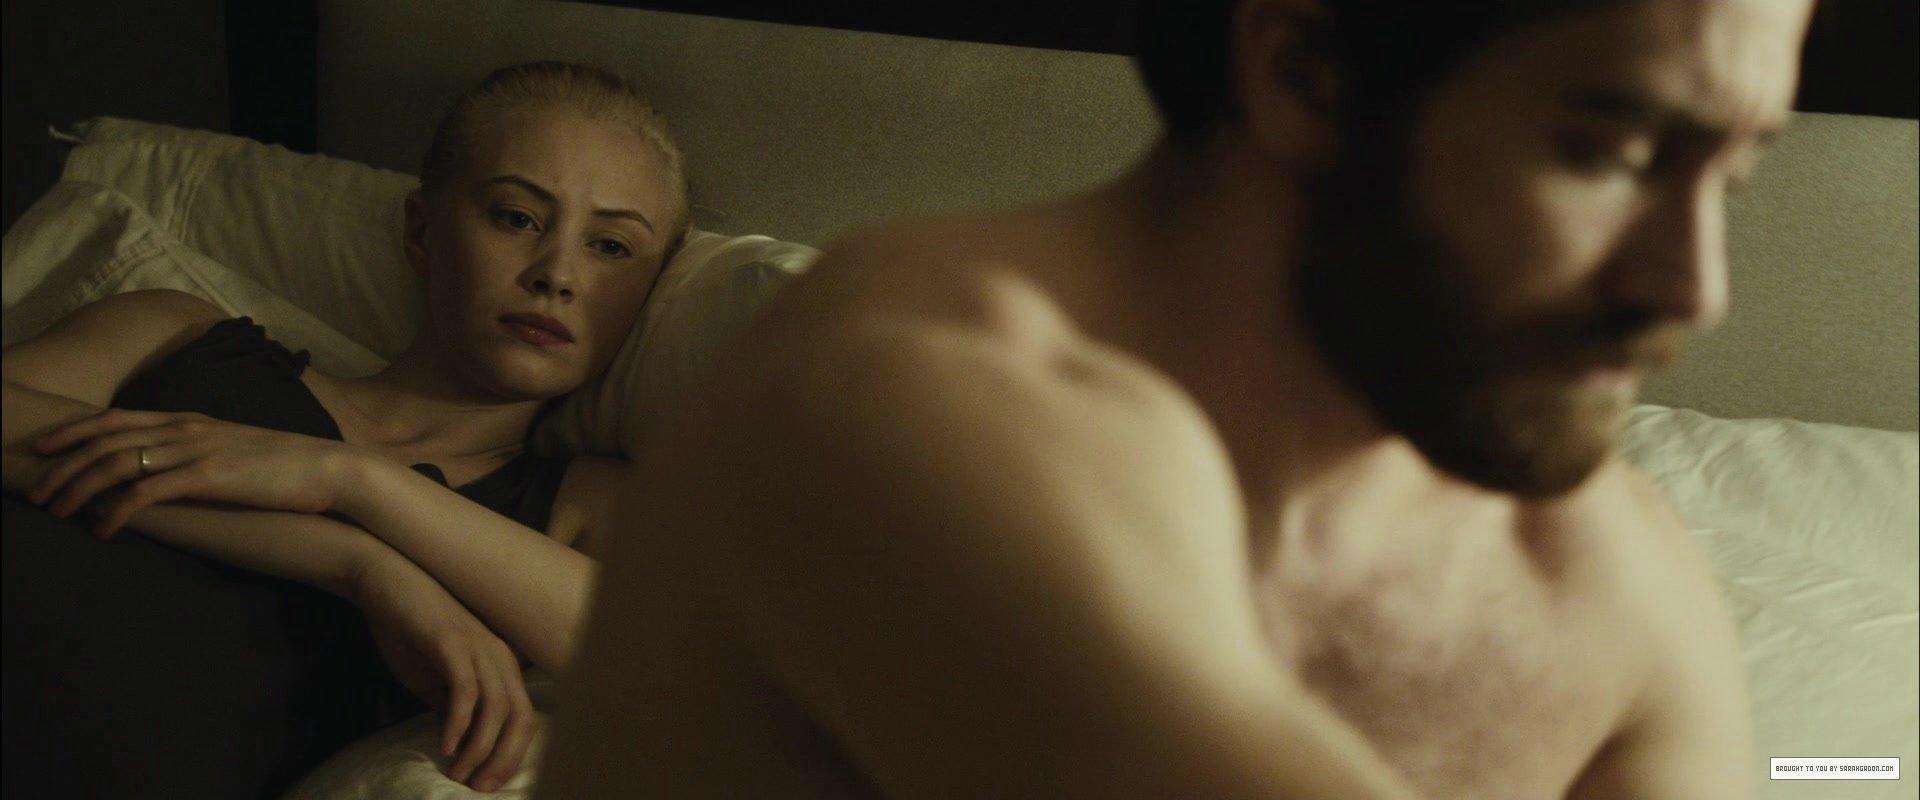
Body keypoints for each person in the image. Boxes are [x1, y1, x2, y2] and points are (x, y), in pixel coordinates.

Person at [540, 1, 1812, 797]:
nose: (1694, 288)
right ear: (1305, 72)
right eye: (1613, 152)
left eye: (1736, 178)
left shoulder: (1606, 580)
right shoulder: (901, 395)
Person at [2, 61, 686, 798]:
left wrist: (351, 481)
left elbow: (675, 680)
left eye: (611, 247)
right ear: (421, 232)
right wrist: (355, 562)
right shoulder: (178, 335)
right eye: (516, 218)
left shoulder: (588, 505)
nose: (557, 274)